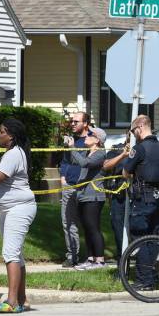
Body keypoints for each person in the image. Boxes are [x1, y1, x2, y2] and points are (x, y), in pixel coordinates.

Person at [0, 118, 37, 313]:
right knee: (16, 254)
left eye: (1, 132)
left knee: (10, 253)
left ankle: (11, 302)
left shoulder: (13, 154)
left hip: (18, 209)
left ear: (11, 135)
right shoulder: (13, 153)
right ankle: (21, 299)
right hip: (9, 209)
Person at [123, 115, 159, 291]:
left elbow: (125, 172)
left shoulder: (140, 148)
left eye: (133, 130)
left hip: (142, 199)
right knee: (155, 238)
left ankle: (144, 280)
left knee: (141, 239)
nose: (133, 133)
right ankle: (154, 278)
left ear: (140, 127)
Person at [70, 127, 108, 270]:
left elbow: (85, 163)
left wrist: (72, 148)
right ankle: (90, 259)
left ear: (97, 140)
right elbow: (76, 162)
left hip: (94, 196)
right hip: (83, 195)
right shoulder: (88, 152)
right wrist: (69, 149)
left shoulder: (100, 154)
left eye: (90, 134)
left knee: (93, 228)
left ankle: (100, 261)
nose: (87, 135)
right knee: (86, 229)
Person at [58, 112, 91, 267]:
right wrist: (63, 177)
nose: (72, 124)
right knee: (68, 222)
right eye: (71, 121)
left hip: (86, 187)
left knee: (89, 223)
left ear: (85, 123)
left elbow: (87, 162)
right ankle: (72, 256)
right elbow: (65, 161)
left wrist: (73, 148)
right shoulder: (71, 141)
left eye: (76, 121)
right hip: (69, 186)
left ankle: (94, 257)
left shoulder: (92, 140)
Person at [102, 138, 131, 262]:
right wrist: (123, 154)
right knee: (118, 228)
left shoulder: (144, 148)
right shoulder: (117, 148)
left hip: (138, 196)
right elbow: (106, 166)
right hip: (118, 196)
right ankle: (122, 264)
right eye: (130, 131)